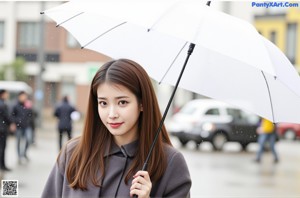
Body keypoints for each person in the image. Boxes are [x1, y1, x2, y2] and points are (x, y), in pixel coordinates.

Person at [42, 59, 191, 198]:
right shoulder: (73, 153)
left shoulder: (170, 163)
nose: (112, 114)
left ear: (142, 103)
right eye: (103, 103)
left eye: (122, 102)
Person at [11, 91, 32, 163]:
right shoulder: (15, 105)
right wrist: (14, 123)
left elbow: (32, 114)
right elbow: (12, 115)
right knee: (18, 141)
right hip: (18, 126)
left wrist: (30, 107)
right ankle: (19, 156)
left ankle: (24, 153)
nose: (24, 98)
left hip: (27, 126)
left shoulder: (27, 105)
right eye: (22, 96)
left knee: (29, 140)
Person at [0, 89, 14, 171]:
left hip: (2, 128)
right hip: (2, 129)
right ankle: (2, 165)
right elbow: (7, 117)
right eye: (6, 94)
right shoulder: (3, 105)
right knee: (2, 147)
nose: (7, 95)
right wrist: (11, 123)